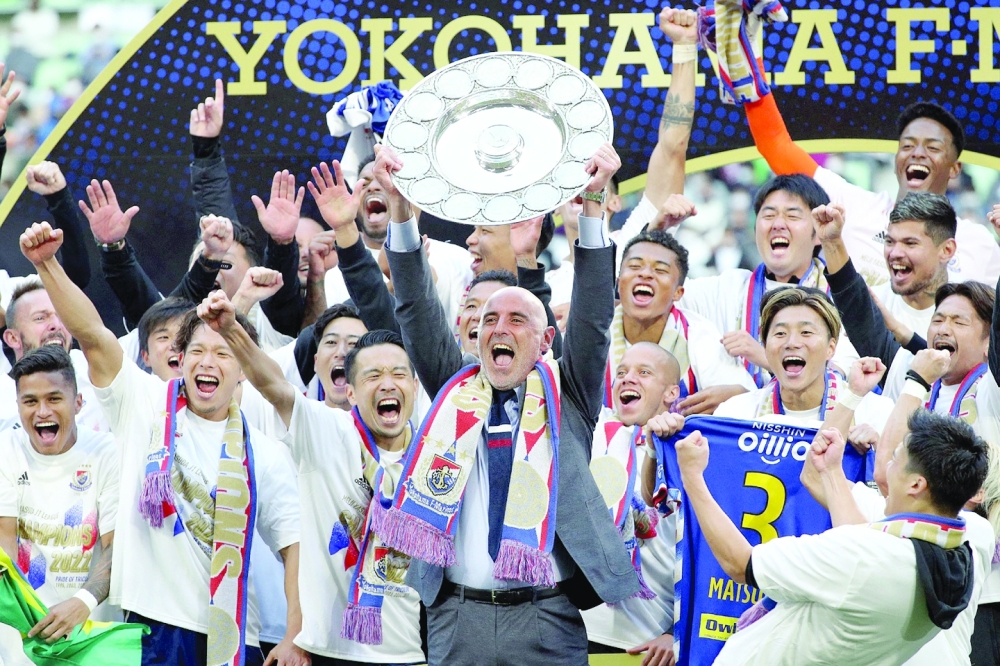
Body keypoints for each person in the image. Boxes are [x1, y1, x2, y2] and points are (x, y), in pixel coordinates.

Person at [376, 139, 638, 665]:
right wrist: (401, 215)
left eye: (518, 319)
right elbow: (413, 307)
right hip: (455, 617)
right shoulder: (454, 387)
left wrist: (592, 206)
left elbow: (591, 315)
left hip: (545, 617)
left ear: (544, 343)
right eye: (489, 320)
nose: (499, 327)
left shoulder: (570, 395)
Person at [19, 221, 307, 666]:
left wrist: (294, 634)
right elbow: (94, 335)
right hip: (149, 631)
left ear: (243, 370)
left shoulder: (264, 454)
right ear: (181, 359)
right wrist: (47, 264)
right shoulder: (146, 403)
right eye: (197, 351)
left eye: (223, 353)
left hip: (229, 638)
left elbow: (295, 549)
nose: (206, 362)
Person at [201, 285, 424, 664]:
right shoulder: (331, 432)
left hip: (407, 653)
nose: (388, 383)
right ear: (350, 393)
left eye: (398, 374)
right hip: (328, 652)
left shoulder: (433, 463)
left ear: (415, 387)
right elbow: (274, 386)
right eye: (373, 376)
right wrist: (231, 330)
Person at [675, 406, 986, 664]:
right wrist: (832, 472)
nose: (886, 469)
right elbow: (862, 542)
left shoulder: (864, 559)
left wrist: (692, 477)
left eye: (894, 459)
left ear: (916, 485)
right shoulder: (959, 557)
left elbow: (739, 563)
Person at [741, 64, 1000, 286]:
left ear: (955, 168)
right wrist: (748, 59)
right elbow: (775, 145)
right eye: (907, 146)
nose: (917, 154)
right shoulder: (851, 207)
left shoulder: (979, 244)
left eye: (932, 148)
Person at [0, 346, 119, 649]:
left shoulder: (108, 453)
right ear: (17, 405)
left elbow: (117, 546)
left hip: (91, 635)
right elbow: (5, 542)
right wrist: (28, 619)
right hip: (23, 636)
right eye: (30, 401)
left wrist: (82, 602)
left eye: (54, 398)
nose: (42, 411)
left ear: (78, 403)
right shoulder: (6, 449)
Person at [583, 342, 682, 665]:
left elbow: (706, 555)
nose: (627, 379)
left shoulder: (690, 453)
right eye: (621, 372)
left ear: (671, 392)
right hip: (575, 633)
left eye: (644, 373)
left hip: (648, 643)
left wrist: (679, 632)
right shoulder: (588, 441)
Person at [815, 194, 958, 395]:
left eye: (910, 243)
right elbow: (838, 369)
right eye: (890, 241)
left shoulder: (968, 313)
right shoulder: (871, 305)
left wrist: (902, 334)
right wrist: (831, 242)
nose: (895, 253)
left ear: (946, 249)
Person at [611, 228, 755, 415]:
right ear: (619, 281)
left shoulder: (699, 335)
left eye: (660, 270)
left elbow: (749, 400)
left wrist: (734, 399)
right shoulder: (594, 335)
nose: (645, 274)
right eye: (635, 266)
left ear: (678, 293)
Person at [713, 287, 891, 433]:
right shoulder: (734, 416)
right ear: (765, 347)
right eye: (780, 334)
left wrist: (876, 452)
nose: (792, 343)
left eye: (806, 332)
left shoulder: (875, 414)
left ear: (831, 348)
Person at [2, 278, 108, 433]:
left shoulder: (94, 369)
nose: (55, 325)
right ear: (13, 338)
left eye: (61, 316)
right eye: (40, 318)